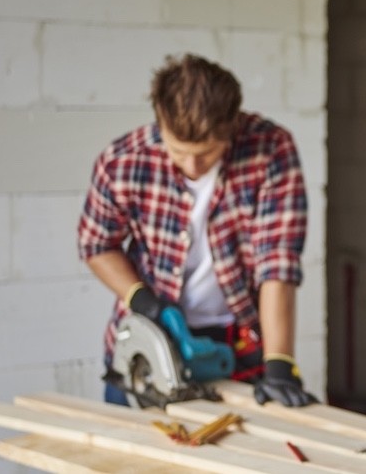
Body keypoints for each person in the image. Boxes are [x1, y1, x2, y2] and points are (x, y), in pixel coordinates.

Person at [78, 53, 317, 408]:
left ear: (233, 126)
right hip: (148, 347)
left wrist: (279, 363)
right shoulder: (122, 162)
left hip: (238, 344)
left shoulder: (271, 150)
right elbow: (97, 244)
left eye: (205, 154)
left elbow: (277, 263)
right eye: (178, 151)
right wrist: (143, 299)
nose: (192, 166)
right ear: (160, 121)